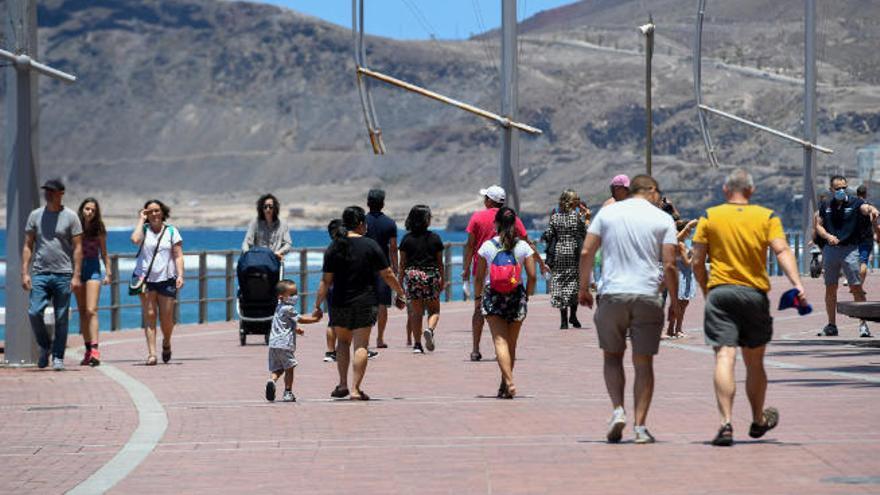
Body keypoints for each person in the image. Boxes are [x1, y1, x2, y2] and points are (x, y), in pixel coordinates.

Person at [692, 168, 807, 446]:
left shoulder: (710, 216)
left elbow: (696, 261)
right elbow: (782, 251)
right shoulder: (766, 217)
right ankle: (757, 419)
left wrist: (708, 290)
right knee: (754, 363)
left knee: (724, 357)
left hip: (720, 293)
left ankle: (726, 423)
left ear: (725, 190)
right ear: (751, 191)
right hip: (754, 294)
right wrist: (797, 283)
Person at [578, 175, 678, 444]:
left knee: (612, 356)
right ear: (651, 191)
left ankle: (618, 410)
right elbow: (669, 265)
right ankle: (641, 427)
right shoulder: (663, 219)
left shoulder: (608, 213)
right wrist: (676, 304)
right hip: (647, 295)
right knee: (643, 362)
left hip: (612, 295)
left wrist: (583, 289)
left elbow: (587, 252)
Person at [314, 206, 406, 400]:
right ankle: (355, 389)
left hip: (339, 302)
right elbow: (387, 274)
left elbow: (325, 281)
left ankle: (342, 384)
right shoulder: (370, 245)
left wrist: (317, 305)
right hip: (365, 301)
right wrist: (400, 292)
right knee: (361, 345)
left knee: (343, 343)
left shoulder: (334, 246)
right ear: (361, 224)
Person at [461, 185, 545, 361]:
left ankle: (476, 349)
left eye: (485, 198)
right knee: (507, 310)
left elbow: (470, 245)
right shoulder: (512, 218)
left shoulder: (477, 217)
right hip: (509, 275)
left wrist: (466, 267)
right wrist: (540, 262)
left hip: (483, 271)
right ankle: (505, 348)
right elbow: (527, 242)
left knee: (478, 310)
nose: (484, 201)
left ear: (490, 201)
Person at [474, 207, 537, 399]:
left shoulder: (487, 247)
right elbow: (532, 276)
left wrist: (478, 299)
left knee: (499, 341)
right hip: (516, 296)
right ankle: (505, 383)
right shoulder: (524, 247)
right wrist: (528, 294)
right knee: (512, 343)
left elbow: (478, 278)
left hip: (493, 297)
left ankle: (508, 383)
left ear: (496, 224)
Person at [21, 179, 83, 370]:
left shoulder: (71, 217)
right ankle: (45, 346)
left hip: (63, 274)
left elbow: (78, 248)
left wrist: (76, 275)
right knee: (33, 312)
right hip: (40, 272)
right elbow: (28, 245)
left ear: (61, 193)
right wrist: (25, 272)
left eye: (52, 191)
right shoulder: (35, 215)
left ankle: (57, 357)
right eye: (46, 191)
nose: (48, 194)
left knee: (62, 317)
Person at [815, 175, 878, 338]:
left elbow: (865, 208)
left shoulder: (855, 202)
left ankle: (863, 325)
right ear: (831, 190)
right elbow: (819, 226)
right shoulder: (826, 205)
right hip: (831, 250)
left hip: (850, 250)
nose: (841, 191)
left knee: (856, 287)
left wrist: (872, 210)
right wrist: (828, 236)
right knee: (830, 288)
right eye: (838, 188)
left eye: (844, 187)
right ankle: (831, 325)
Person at [131, 199, 184, 365]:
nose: (154, 214)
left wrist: (180, 275)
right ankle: (152, 354)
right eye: (150, 211)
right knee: (150, 315)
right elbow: (135, 240)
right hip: (145, 279)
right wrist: (141, 219)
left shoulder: (171, 231)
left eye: (157, 211)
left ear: (162, 212)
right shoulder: (144, 230)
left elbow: (178, 255)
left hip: (166, 278)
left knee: (167, 318)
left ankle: (166, 342)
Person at [265, 279, 323, 402]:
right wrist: (315, 319)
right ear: (281, 297)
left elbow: (284, 323)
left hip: (274, 344)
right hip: (285, 344)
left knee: (278, 368)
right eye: (291, 294)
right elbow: (300, 319)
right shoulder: (288, 308)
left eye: (295, 293)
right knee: (289, 368)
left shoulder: (278, 307)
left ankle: (272, 380)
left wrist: (296, 329)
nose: (295, 297)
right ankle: (288, 392)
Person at [398, 205, 445, 353]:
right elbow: (440, 262)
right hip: (431, 276)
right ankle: (430, 330)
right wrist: (442, 279)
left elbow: (402, 264)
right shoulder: (435, 238)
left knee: (416, 313)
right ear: (427, 220)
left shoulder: (406, 239)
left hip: (413, 277)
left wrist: (399, 285)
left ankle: (417, 345)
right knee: (434, 310)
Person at [73, 198, 112, 366]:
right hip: (77, 270)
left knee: (91, 310)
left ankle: (95, 349)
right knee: (82, 311)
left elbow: (104, 253)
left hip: (93, 270)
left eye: (93, 210)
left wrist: (108, 272)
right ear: (82, 209)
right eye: (87, 209)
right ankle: (88, 350)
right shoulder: (73, 227)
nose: (89, 212)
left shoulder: (99, 229)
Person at [543, 189, 588, 329]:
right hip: (573, 254)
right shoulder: (576, 218)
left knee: (560, 284)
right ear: (571, 202)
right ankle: (573, 316)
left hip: (559, 253)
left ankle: (563, 321)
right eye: (576, 200)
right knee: (573, 285)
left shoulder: (555, 217)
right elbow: (585, 233)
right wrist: (585, 218)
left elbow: (548, 235)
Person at [364, 189, 398, 349]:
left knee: (365, 303)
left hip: (363, 266)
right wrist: (396, 268)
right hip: (383, 266)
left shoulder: (361, 222)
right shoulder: (390, 223)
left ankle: (365, 338)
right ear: (383, 204)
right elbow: (393, 247)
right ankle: (380, 338)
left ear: (368, 203)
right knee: (382, 304)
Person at [666, 219, 698, 339]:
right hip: (683, 276)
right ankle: (676, 329)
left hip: (682, 275)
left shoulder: (683, 243)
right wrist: (695, 252)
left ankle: (674, 329)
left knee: (680, 303)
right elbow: (687, 262)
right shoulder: (682, 244)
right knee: (681, 304)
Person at [242, 193, 292, 260]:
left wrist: (279, 252)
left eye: (270, 206)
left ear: (275, 208)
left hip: (275, 261)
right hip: (259, 261)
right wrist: (247, 254)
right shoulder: (255, 223)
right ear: (261, 208)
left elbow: (287, 244)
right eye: (265, 207)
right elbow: (247, 242)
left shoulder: (282, 224)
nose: (268, 209)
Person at [323, 219, 342, 363]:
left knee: (332, 321)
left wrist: (318, 302)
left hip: (331, 289)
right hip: (345, 288)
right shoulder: (346, 247)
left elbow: (326, 278)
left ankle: (330, 351)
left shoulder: (329, 249)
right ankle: (361, 349)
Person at [855, 185, 880, 284]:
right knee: (863, 262)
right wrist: (878, 235)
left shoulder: (852, 205)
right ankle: (859, 285)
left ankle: (849, 279)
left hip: (852, 238)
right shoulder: (869, 206)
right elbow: (874, 223)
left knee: (851, 260)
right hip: (866, 238)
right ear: (865, 194)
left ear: (857, 194)